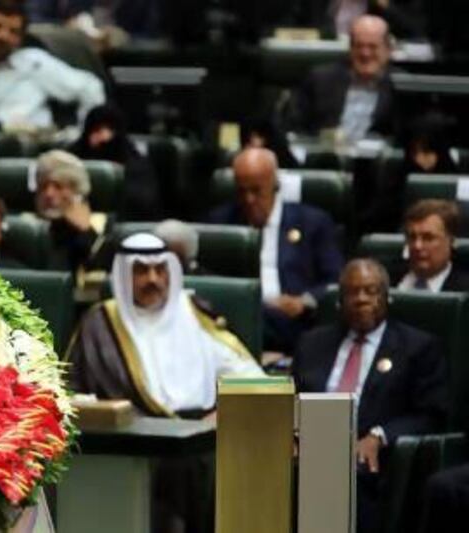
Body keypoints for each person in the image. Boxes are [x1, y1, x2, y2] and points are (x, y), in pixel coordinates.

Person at [68, 232, 263, 532]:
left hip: (200, 441)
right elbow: (73, 394)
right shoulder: (99, 324)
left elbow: (252, 380)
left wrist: (224, 413)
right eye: (141, 271)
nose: (153, 279)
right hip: (129, 442)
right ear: (122, 274)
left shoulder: (195, 316)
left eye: (160, 270)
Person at [293, 258, 447, 533]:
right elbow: (292, 398)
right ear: (340, 301)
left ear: (387, 297)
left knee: (344, 474)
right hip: (309, 446)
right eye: (352, 292)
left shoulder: (417, 347)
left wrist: (379, 436)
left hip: (367, 456)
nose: (361, 299)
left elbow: (431, 414)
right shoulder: (312, 343)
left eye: (371, 291)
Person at [208, 147, 344, 352]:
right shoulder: (221, 223)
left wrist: (304, 301)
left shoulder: (312, 223)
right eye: (241, 191)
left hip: (296, 323)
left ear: (275, 185)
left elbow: (335, 280)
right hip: (240, 323)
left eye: (256, 190)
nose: (248, 200)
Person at [0, 0, 106, 129]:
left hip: (30, 150)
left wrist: (79, 133)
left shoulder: (36, 63)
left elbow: (91, 88)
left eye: (13, 32)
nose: (2, 36)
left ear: (20, 39)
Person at [287, 15, 395, 141]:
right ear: (350, 48)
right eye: (358, 46)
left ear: (388, 50)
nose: (365, 53)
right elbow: (295, 126)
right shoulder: (320, 80)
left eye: (373, 46)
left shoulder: (400, 85)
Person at [68, 103, 159, 219]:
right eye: (96, 130)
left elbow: (144, 201)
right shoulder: (72, 159)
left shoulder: (136, 163)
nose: (102, 135)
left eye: (109, 129)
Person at [32, 149, 105, 271]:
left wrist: (86, 231)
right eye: (43, 187)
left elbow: (99, 271)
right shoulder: (28, 230)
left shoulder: (102, 226)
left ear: (77, 192)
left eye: (58, 186)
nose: (48, 194)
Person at [395, 200, 469, 292]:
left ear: (451, 241)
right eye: (412, 237)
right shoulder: (387, 280)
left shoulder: (465, 291)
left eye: (428, 238)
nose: (417, 246)